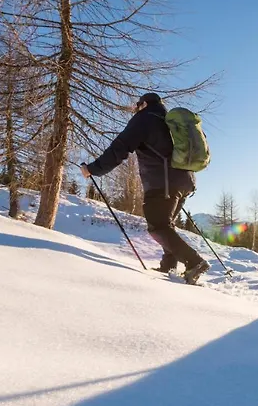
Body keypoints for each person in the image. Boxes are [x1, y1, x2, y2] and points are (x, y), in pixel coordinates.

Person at [80, 92, 210, 285]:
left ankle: (194, 262)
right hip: (185, 181)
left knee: (157, 226)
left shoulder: (145, 119)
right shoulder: (170, 122)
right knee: (166, 224)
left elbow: (120, 148)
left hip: (163, 182)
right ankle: (169, 265)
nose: (135, 109)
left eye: (137, 105)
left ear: (143, 104)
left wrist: (93, 169)